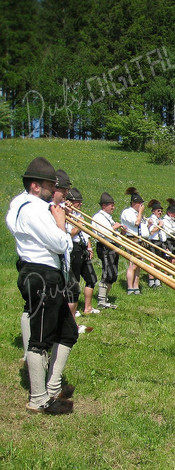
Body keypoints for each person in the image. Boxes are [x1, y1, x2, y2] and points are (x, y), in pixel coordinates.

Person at [6, 157, 77, 414]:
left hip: (50, 275)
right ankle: (38, 399)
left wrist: (59, 221)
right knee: (40, 339)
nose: (53, 190)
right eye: (49, 185)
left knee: (68, 332)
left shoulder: (32, 206)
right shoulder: (32, 208)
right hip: (40, 275)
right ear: (36, 186)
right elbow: (61, 244)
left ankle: (53, 386)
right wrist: (60, 223)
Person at [65, 188, 99, 326]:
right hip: (73, 249)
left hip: (83, 248)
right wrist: (79, 225)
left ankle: (88, 307)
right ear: (70, 202)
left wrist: (89, 247)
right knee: (75, 282)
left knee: (91, 278)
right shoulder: (65, 216)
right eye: (78, 202)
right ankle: (72, 311)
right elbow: (69, 234)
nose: (80, 205)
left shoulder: (79, 215)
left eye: (80, 202)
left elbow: (85, 234)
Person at [91, 192, 122, 308]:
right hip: (105, 247)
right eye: (111, 205)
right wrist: (115, 228)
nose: (113, 207)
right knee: (107, 273)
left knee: (113, 275)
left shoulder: (108, 218)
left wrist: (121, 232)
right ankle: (101, 300)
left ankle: (105, 298)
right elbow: (103, 233)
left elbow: (114, 234)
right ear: (104, 206)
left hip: (113, 246)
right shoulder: (98, 217)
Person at [120, 187, 146, 294]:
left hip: (140, 239)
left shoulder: (137, 213)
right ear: (133, 203)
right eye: (139, 203)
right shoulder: (127, 212)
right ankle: (130, 287)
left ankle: (136, 286)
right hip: (132, 238)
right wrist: (140, 213)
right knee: (133, 264)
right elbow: (136, 223)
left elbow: (141, 224)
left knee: (139, 264)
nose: (140, 206)